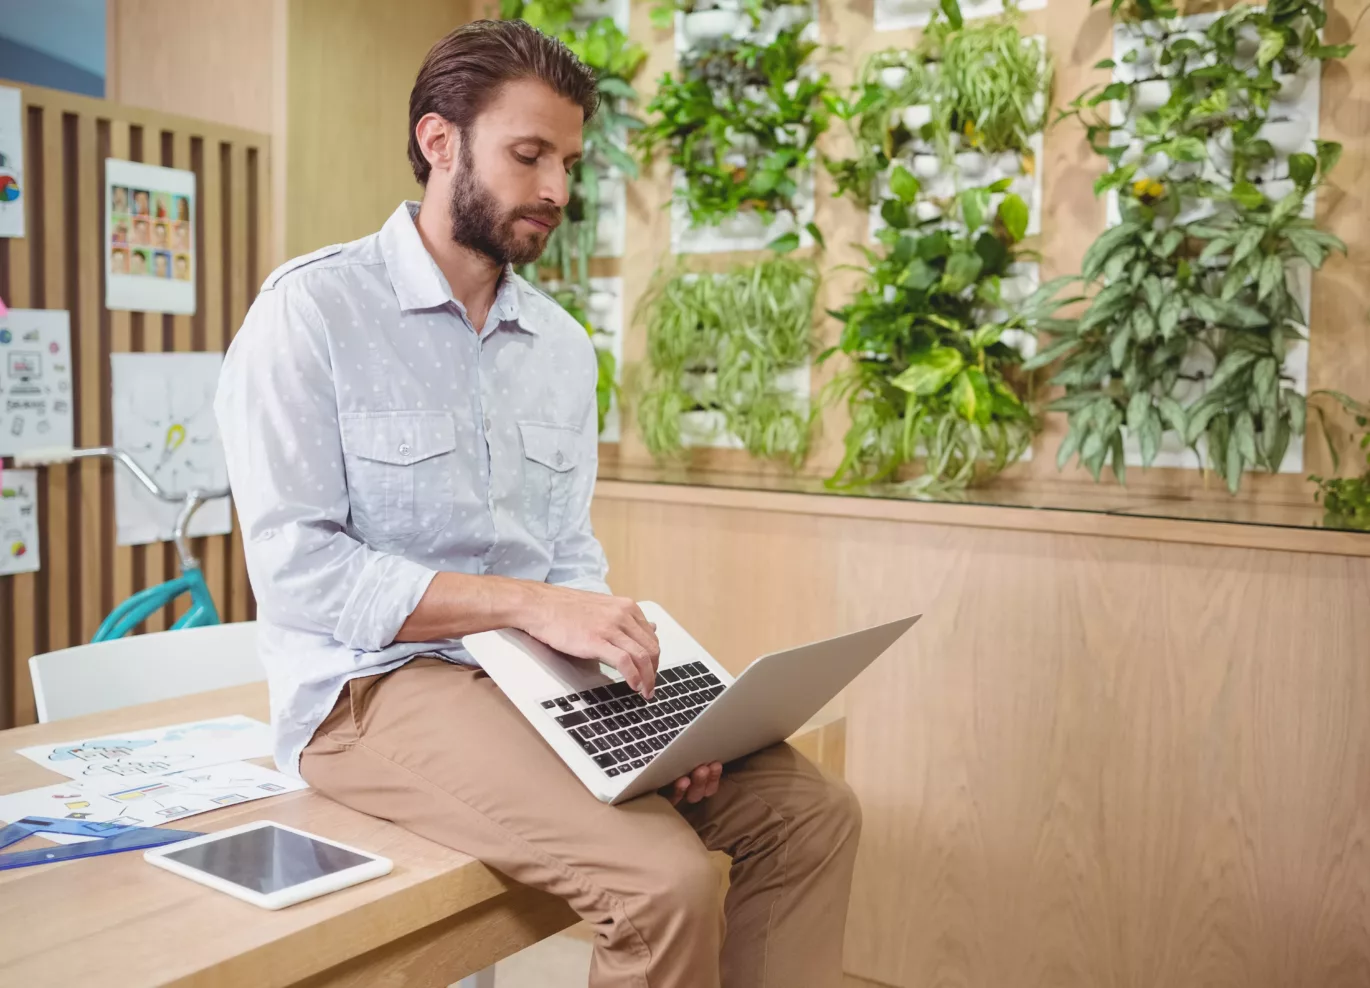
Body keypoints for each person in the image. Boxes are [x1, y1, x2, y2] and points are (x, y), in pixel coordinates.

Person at [214, 19, 859, 988]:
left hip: (536, 676)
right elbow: (301, 571)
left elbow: (563, 558)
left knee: (810, 813)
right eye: (528, 155)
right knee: (662, 884)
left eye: (566, 160)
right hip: (370, 690)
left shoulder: (558, 347)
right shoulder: (310, 313)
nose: (556, 188)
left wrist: (646, 710)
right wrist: (523, 604)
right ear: (439, 142)